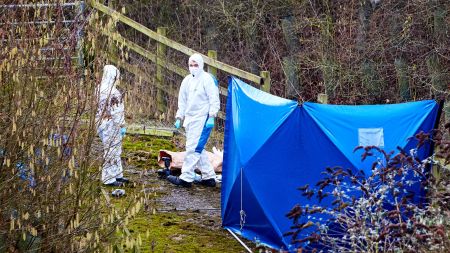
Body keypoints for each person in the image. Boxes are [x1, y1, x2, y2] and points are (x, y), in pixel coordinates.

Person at [167, 53, 220, 188]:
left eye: (196, 65)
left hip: (202, 119)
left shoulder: (207, 79)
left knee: (193, 148)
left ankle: (186, 177)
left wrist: (212, 116)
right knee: (198, 148)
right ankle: (209, 177)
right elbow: (183, 100)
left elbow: (214, 99)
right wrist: (179, 116)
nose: (193, 67)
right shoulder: (187, 80)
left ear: (201, 65)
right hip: (190, 119)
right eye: (191, 65)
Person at [96, 65, 129, 187]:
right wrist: (121, 125)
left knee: (111, 149)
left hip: (100, 123)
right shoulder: (113, 92)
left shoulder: (98, 89)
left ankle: (117, 174)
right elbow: (117, 111)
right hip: (112, 124)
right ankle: (109, 178)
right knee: (112, 150)